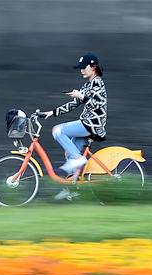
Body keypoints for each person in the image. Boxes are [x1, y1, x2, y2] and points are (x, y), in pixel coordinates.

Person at [39, 52, 107, 198]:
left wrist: (81, 96)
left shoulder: (98, 82)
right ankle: (72, 190)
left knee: (58, 131)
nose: (81, 70)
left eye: (84, 67)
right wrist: (52, 113)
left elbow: (96, 104)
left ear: (93, 67)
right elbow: (73, 104)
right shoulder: (87, 85)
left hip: (92, 124)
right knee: (69, 152)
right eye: (80, 68)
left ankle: (78, 159)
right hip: (88, 124)